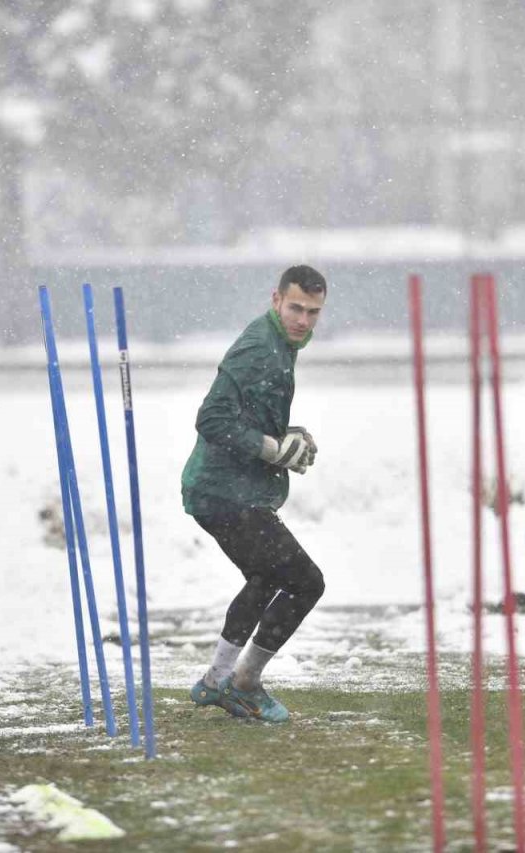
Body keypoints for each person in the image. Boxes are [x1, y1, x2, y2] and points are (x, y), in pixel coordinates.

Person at [180, 265, 328, 723]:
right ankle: (243, 685)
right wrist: (271, 449)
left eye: (313, 312)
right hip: (222, 492)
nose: (303, 320)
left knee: (266, 578)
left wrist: (288, 439)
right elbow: (212, 419)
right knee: (305, 581)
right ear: (275, 299)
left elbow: (250, 414)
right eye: (295, 308)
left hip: (232, 489)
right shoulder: (259, 349)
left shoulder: (281, 344)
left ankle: (214, 683)